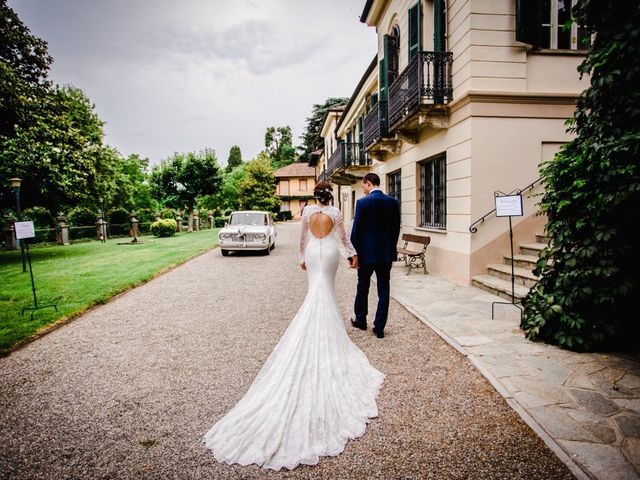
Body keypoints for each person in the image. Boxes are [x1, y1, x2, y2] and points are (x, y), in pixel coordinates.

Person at [204, 181, 385, 471]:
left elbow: (302, 240)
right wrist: (353, 255)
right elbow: (344, 239)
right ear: (330, 197)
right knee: (326, 292)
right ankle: (328, 335)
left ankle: (314, 328)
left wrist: (302, 258)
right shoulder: (336, 212)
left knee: (315, 292)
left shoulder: (306, 212)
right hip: (329, 255)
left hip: (314, 254)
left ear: (315, 196)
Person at [350, 173, 401, 339]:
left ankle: (360, 320)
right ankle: (379, 327)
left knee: (362, 286)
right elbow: (395, 229)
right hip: (385, 254)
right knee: (384, 290)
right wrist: (390, 247)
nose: (363, 189)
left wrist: (353, 253)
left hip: (366, 254)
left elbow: (356, 231)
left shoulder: (362, 203)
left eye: (363, 185)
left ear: (369, 183)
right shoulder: (393, 202)